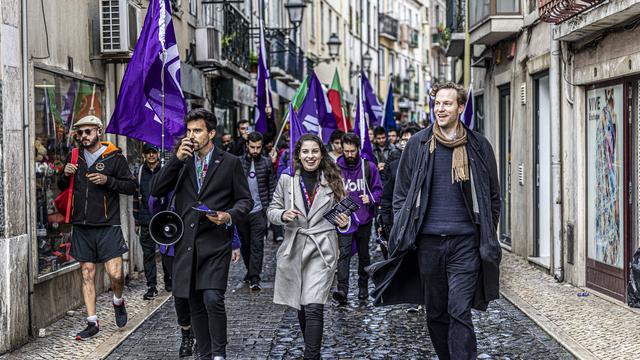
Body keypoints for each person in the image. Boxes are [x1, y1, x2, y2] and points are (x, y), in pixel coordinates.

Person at [369, 82, 501, 360]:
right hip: (427, 244)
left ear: (460, 107)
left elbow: (493, 197)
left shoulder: (478, 145)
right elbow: (400, 194)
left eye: (447, 104)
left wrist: (487, 232)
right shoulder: (418, 144)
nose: (440, 109)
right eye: (437, 104)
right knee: (437, 312)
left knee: (459, 309)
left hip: (465, 243)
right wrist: (401, 231)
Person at [151, 108, 253, 360]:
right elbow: (156, 188)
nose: (192, 136)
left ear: (212, 133)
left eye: (197, 130)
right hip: (187, 244)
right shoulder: (181, 161)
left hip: (216, 243)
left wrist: (228, 215)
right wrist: (176, 160)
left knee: (212, 299)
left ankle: (219, 353)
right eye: (189, 131)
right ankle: (204, 355)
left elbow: (245, 201)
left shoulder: (230, 162)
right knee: (194, 301)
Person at [267, 134, 350, 360]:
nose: (310, 156)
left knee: (314, 305)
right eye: (305, 152)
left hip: (322, 248)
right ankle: (312, 349)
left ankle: (311, 355)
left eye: (314, 151)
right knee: (302, 306)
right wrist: (283, 214)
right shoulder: (287, 180)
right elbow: (272, 209)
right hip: (295, 246)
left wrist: (345, 222)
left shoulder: (333, 179)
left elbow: (343, 211)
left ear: (321, 154)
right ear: (298, 155)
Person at [59, 115, 136, 340]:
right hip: (82, 225)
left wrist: (107, 181)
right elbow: (62, 186)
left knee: (116, 275)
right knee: (87, 274)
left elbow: (131, 186)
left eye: (88, 132)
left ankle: (118, 301)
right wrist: (64, 175)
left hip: (107, 224)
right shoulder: (74, 156)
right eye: (80, 133)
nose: (83, 137)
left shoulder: (114, 156)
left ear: (98, 131)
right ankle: (92, 322)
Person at [333, 133, 382, 304]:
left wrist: (372, 198)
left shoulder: (369, 167)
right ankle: (342, 290)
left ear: (358, 150)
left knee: (364, 255)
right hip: (344, 218)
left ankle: (363, 286)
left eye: (352, 151)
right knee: (343, 254)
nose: (349, 154)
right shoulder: (335, 168)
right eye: (346, 151)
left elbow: (378, 190)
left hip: (364, 219)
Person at [237, 131, 276, 291]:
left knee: (257, 244)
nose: (255, 150)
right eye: (252, 147)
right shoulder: (238, 163)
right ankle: (250, 270)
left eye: (258, 147)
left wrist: (271, 207)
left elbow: (271, 186)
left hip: (259, 211)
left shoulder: (266, 163)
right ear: (247, 146)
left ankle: (255, 277)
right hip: (241, 211)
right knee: (245, 245)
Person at [133, 143, 164, 300]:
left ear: (158, 154)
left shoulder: (165, 171)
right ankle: (151, 286)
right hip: (145, 220)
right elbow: (136, 198)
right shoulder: (139, 173)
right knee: (148, 255)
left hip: (163, 219)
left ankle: (169, 280)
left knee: (166, 252)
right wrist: (136, 221)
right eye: (148, 152)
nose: (151, 155)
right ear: (144, 155)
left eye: (153, 152)